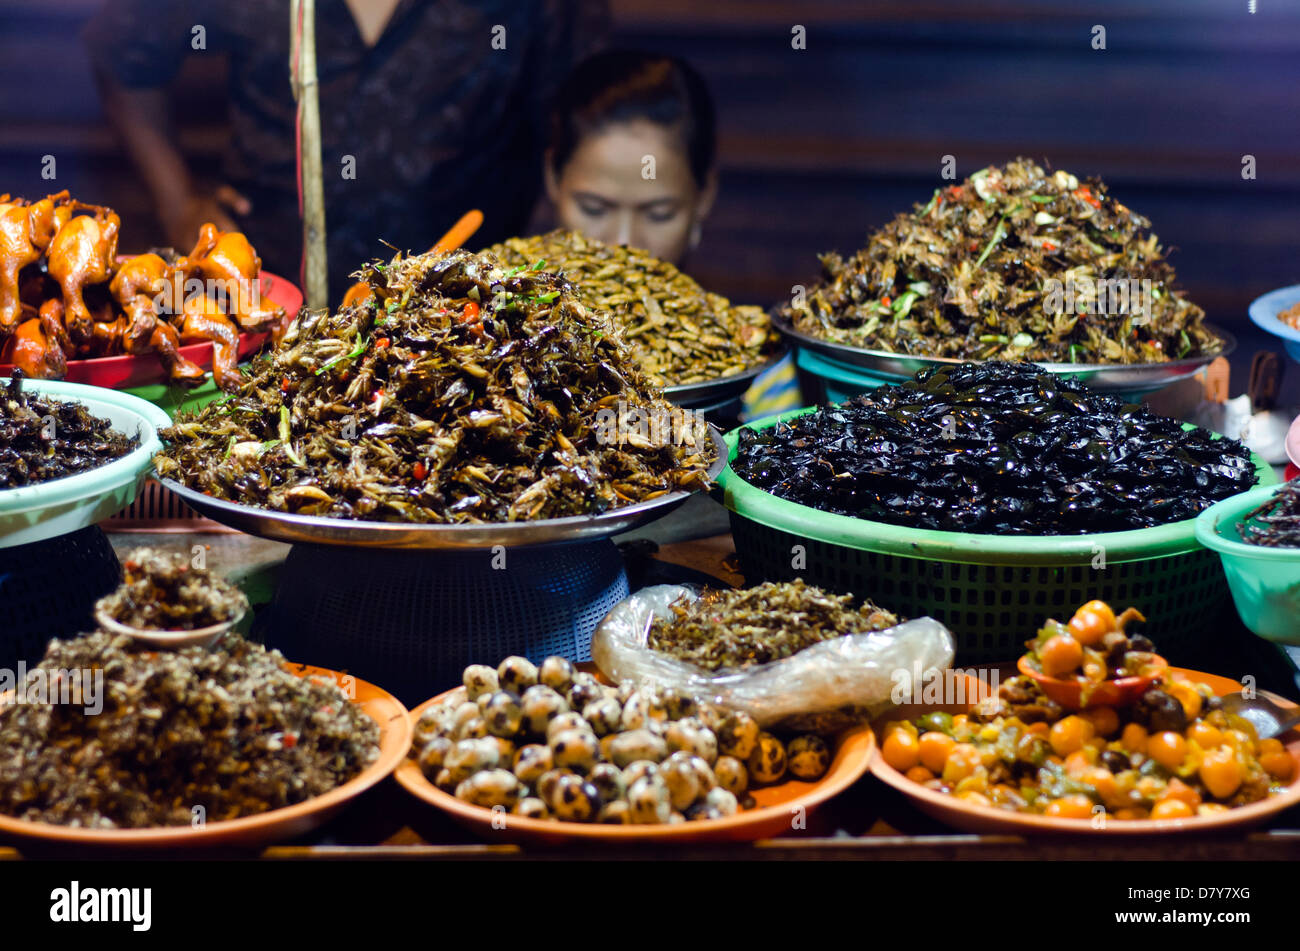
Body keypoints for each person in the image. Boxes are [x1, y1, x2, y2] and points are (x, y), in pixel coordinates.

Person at [85, 0, 607, 303]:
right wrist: (178, 203)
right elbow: (121, 50)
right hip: (264, 300)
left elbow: (591, 117)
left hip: (464, 317)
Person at [544, 50, 799, 418]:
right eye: (594, 208)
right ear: (553, 180)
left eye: (659, 213)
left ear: (704, 196)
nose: (624, 244)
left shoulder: (760, 366)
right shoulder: (488, 332)